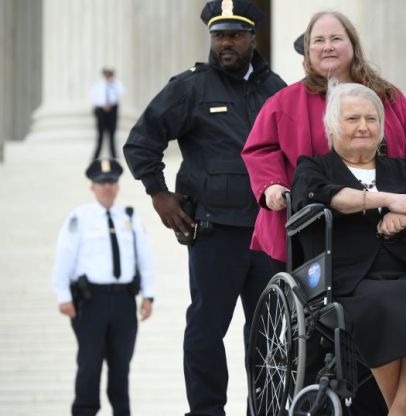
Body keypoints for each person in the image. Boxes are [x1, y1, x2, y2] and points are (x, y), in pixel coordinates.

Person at [241, 10, 406, 414]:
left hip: (394, 231)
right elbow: (260, 151)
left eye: (336, 39)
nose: (328, 47)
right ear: (307, 52)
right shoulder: (285, 102)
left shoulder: (387, 96)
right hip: (324, 234)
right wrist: (273, 185)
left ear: (353, 45)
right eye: (319, 41)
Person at [122, 1, 286, 414]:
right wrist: (159, 193)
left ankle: (264, 409)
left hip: (269, 233)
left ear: (253, 37)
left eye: (234, 34)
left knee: (269, 334)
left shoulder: (277, 91)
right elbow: (141, 141)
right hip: (216, 232)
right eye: (218, 35)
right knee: (205, 329)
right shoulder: (191, 87)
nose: (225, 43)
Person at [291, 83, 406, 416]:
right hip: (348, 280)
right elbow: (323, 196)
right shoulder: (314, 168)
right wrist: (386, 200)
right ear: (332, 126)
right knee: (377, 304)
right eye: (352, 118)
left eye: (371, 119)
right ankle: (404, 411)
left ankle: (400, 411)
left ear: (382, 127)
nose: (363, 127)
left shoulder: (400, 169)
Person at [52, 158, 155, 416]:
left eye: (111, 182)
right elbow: (64, 256)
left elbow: (145, 258)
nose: (107, 187)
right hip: (91, 302)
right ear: (92, 186)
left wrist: (148, 295)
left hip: (123, 301)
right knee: (89, 364)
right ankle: (85, 411)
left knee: (121, 366)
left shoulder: (128, 218)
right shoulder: (79, 218)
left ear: (118, 186)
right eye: (101, 182)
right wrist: (63, 295)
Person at [90, 68, 125, 160]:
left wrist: (113, 83)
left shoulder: (115, 84)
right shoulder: (98, 85)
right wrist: (102, 105)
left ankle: (114, 155)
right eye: (106, 74)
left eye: (110, 74)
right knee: (100, 134)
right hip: (101, 110)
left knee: (112, 134)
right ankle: (95, 156)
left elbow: (121, 91)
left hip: (112, 110)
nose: (108, 76)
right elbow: (93, 97)